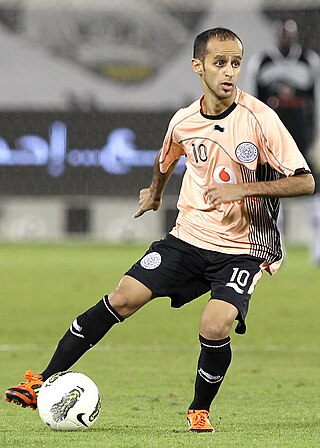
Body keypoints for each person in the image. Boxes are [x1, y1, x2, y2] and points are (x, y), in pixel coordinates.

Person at [5, 27, 315, 433]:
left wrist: (243, 187)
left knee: (214, 324)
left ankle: (198, 410)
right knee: (123, 297)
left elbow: (305, 180)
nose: (229, 72)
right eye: (219, 63)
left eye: (235, 63)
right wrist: (154, 193)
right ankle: (42, 381)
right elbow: (166, 157)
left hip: (244, 247)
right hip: (188, 238)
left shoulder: (260, 119)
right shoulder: (184, 120)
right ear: (197, 66)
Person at [246, 19, 320, 265]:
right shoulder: (261, 62)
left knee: (314, 194)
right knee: (271, 195)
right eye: (282, 34)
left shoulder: (310, 62)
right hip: (272, 142)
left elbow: (317, 103)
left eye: (289, 34)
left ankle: (317, 250)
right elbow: (250, 105)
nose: (285, 39)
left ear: (297, 36)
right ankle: (276, 250)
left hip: (303, 140)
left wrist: (317, 138)